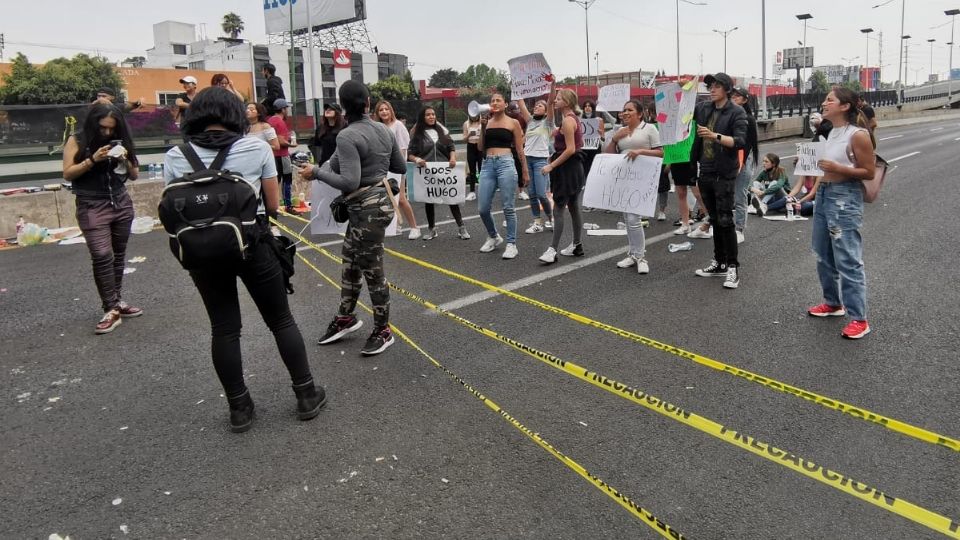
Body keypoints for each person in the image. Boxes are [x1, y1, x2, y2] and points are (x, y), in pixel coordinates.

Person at [163, 87, 326, 432]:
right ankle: (306, 394)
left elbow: (171, 209)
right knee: (280, 320)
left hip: (202, 252)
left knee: (224, 328)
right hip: (252, 244)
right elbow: (271, 204)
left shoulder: (176, 156)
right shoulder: (254, 147)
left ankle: (239, 408)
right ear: (235, 114)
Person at [298, 80, 405, 355]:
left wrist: (316, 172)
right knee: (350, 262)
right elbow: (399, 166)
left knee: (372, 269)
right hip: (379, 204)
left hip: (366, 208)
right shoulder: (383, 129)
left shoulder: (347, 136)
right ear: (368, 103)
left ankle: (383, 329)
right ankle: (346, 317)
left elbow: (348, 180)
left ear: (342, 108)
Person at [62, 103, 142, 334]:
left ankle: (116, 302)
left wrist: (124, 159)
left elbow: (135, 175)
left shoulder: (121, 139)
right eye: (102, 128)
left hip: (120, 202)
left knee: (118, 256)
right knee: (101, 255)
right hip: (92, 204)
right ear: (93, 124)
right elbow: (67, 173)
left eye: (111, 129)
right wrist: (92, 160)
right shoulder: (77, 140)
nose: (107, 133)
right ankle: (110, 307)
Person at [808, 88, 876, 339]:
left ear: (845, 106)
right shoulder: (831, 131)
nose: (824, 103)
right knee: (822, 253)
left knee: (847, 257)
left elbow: (869, 172)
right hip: (825, 193)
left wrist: (838, 167)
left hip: (844, 197)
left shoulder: (857, 135)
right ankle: (833, 303)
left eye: (830, 100)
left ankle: (859, 318)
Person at [691, 72, 748, 289]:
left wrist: (714, 135)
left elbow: (741, 142)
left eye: (715, 86)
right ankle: (720, 262)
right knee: (714, 220)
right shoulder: (704, 108)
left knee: (725, 221)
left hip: (724, 173)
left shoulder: (737, 112)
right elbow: (686, 114)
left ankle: (733, 267)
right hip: (705, 170)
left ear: (726, 89)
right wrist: (681, 93)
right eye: (709, 86)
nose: (711, 89)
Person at [601, 99, 663, 273]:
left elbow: (661, 152)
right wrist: (614, 139)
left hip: (642, 179)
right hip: (624, 179)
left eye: (629, 110)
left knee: (634, 219)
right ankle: (633, 253)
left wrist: (641, 152)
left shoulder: (649, 129)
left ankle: (640, 256)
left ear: (640, 113)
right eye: (623, 110)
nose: (625, 113)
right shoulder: (620, 131)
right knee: (628, 219)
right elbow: (608, 155)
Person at [477, 93, 528, 259]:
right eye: (492, 100)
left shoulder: (513, 122)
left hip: (506, 163)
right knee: (483, 208)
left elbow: (520, 150)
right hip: (487, 165)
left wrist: (525, 171)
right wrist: (483, 127)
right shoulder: (487, 122)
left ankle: (511, 244)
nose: (494, 102)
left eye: (498, 100)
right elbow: (480, 147)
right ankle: (493, 236)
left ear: (505, 104)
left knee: (508, 207)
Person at [407, 106, 469, 240]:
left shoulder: (442, 131)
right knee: (429, 201)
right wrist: (417, 159)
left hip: (445, 172)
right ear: (422, 118)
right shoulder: (417, 134)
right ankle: (431, 229)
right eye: (428, 115)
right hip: (428, 174)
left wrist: (452, 157)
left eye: (433, 114)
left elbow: (451, 147)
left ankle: (461, 227)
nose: (431, 117)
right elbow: (410, 154)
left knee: (452, 199)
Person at [538, 89, 585, 264]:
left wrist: (551, 165)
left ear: (566, 102)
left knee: (558, 208)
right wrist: (552, 87)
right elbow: (550, 118)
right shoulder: (571, 119)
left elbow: (571, 149)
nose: (555, 101)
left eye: (558, 99)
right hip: (573, 168)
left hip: (568, 169)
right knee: (573, 205)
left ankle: (552, 250)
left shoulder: (568, 121)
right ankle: (577, 244)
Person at [373, 100, 420, 239]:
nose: (384, 112)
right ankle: (396, 226)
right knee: (387, 198)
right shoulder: (377, 127)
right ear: (377, 113)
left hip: (397, 167)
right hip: (382, 168)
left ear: (391, 110)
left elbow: (403, 148)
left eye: (386, 109)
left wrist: (396, 164)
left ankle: (414, 227)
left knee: (400, 199)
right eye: (381, 110)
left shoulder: (398, 125)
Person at [516, 85, 556, 234]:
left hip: (541, 161)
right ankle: (537, 222)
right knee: (532, 194)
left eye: (540, 105)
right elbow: (520, 102)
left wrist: (553, 85)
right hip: (528, 160)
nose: (536, 107)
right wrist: (516, 84)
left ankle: (551, 219)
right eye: (536, 105)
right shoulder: (530, 121)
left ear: (545, 111)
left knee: (541, 193)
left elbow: (551, 101)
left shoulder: (548, 123)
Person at [730, 86, 759, 244]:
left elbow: (746, 146)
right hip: (731, 159)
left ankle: (739, 229)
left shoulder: (748, 119)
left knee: (739, 194)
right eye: (732, 95)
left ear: (745, 100)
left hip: (743, 160)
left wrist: (739, 164)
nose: (734, 97)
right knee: (727, 194)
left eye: (737, 96)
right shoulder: (730, 115)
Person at [267, 98, 296, 214]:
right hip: (282, 155)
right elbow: (280, 140)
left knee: (275, 181)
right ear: (282, 109)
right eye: (286, 108)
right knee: (287, 180)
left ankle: (272, 206)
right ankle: (288, 206)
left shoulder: (269, 121)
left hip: (272, 155)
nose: (287, 111)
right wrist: (292, 145)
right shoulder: (280, 122)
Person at [580, 100, 604, 176]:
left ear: (593, 108)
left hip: (595, 147)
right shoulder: (579, 120)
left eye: (589, 106)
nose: (587, 108)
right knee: (584, 168)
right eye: (585, 106)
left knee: (594, 167)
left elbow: (603, 137)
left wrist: (600, 133)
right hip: (584, 147)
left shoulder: (599, 120)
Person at [462, 113, 482, 201]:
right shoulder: (466, 124)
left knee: (482, 170)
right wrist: (469, 134)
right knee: (472, 170)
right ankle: (472, 191)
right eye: (472, 116)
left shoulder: (482, 123)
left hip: (480, 147)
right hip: (471, 147)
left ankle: (483, 190)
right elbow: (464, 139)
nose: (474, 117)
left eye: (476, 116)